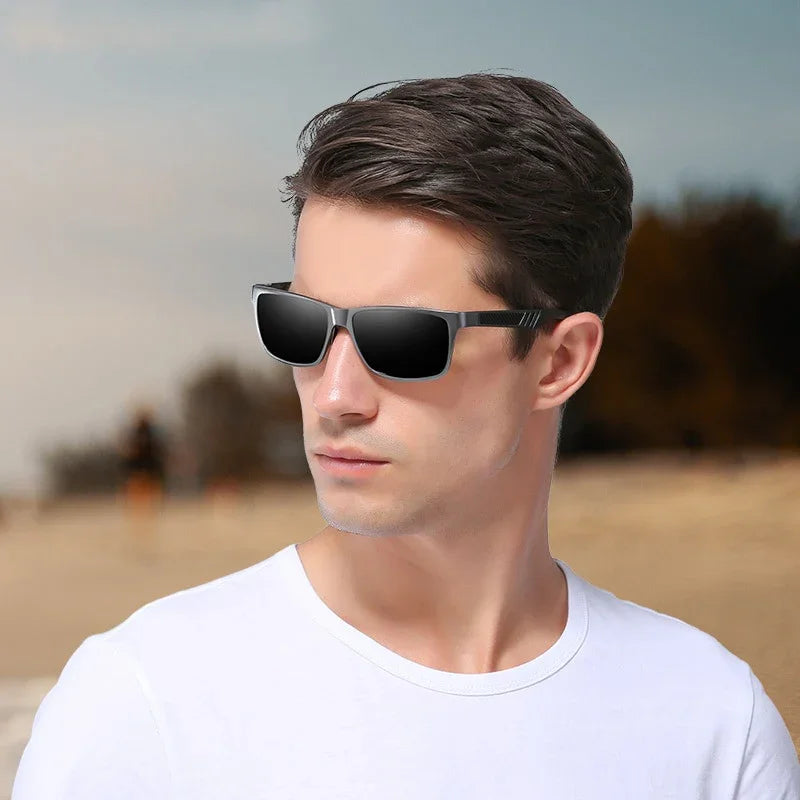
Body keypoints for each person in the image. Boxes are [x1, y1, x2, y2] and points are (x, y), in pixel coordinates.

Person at [12, 73, 799, 798]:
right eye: (299, 325)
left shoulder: (713, 728)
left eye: (403, 340)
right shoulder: (143, 705)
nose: (334, 396)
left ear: (559, 362)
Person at [119, 404, 165, 560]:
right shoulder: (137, 434)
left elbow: (157, 452)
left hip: (147, 470)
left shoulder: (151, 433)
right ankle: (140, 525)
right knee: (139, 500)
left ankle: (144, 524)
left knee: (148, 500)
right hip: (139, 471)